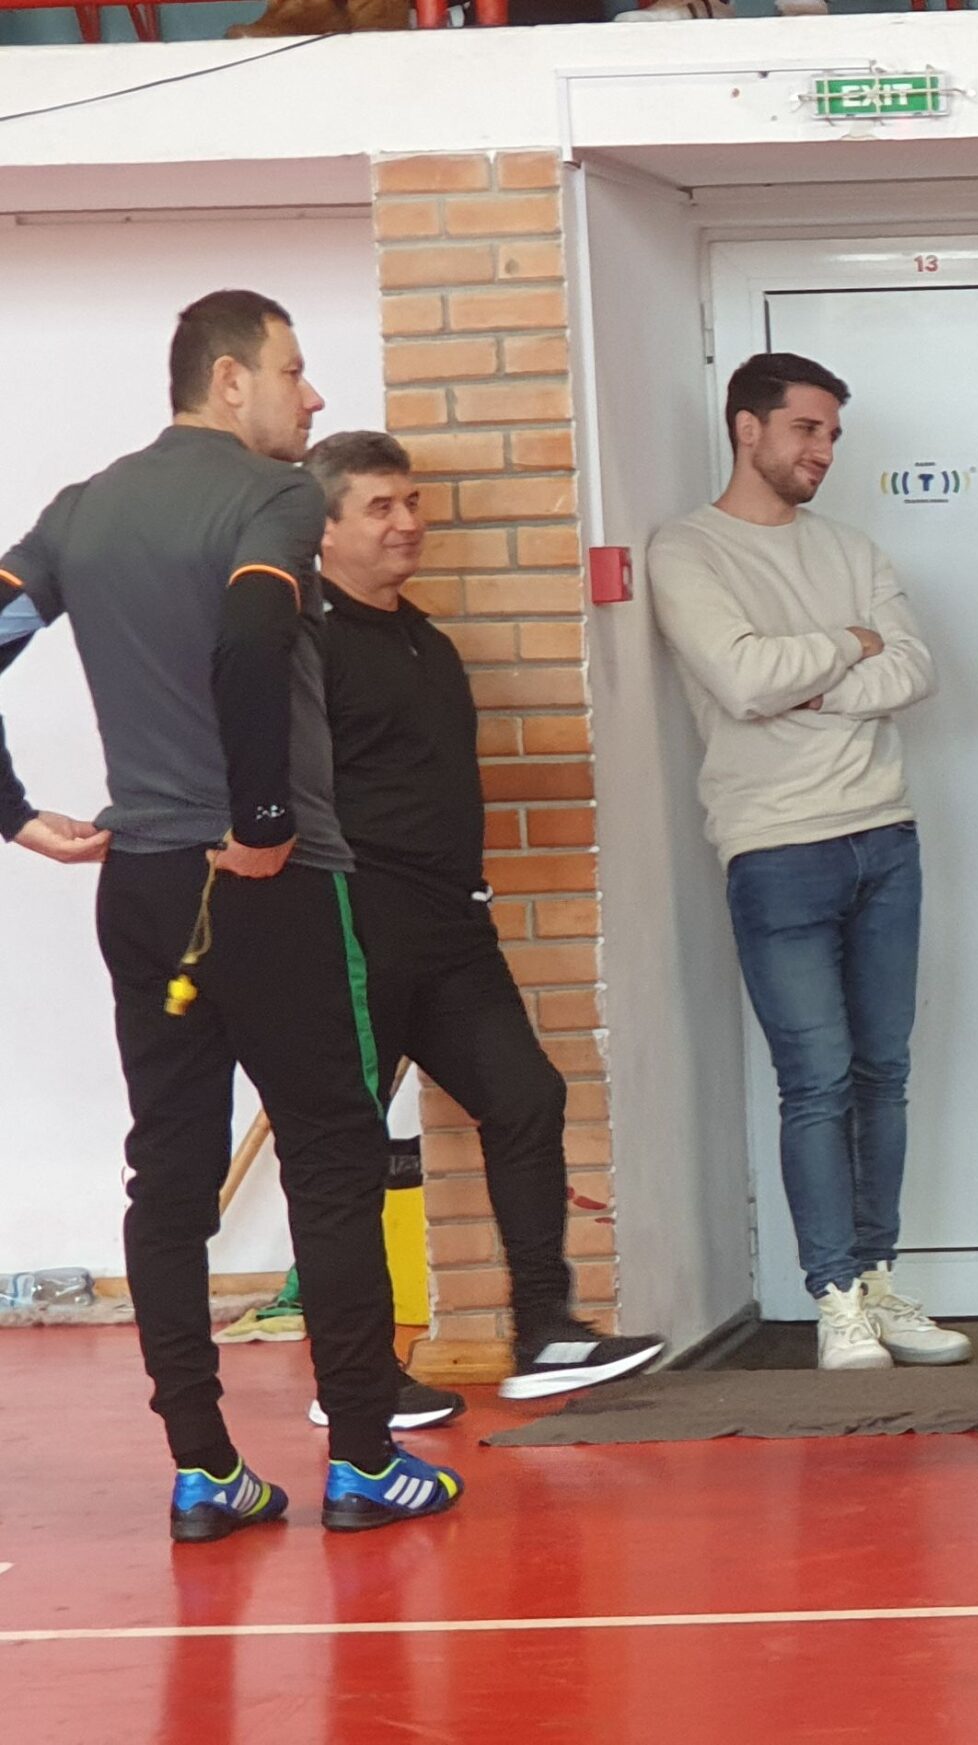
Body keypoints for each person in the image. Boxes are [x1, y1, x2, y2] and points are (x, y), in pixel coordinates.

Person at [0, 290, 460, 1538]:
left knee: (168, 1173)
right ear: (228, 379)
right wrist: (262, 819)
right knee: (334, 1156)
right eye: (294, 371)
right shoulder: (275, 498)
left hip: (143, 887)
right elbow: (255, 634)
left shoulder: (84, 509)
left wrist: (10, 811)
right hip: (270, 884)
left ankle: (205, 1469)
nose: (314, 398)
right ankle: (363, 1460)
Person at [304, 430, 668, 1407]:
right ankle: (355, 1377)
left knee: (525, 1097)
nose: (407, 522)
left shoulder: (425, 640)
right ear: (323, 527)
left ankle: (545, 1331)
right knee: (344, 1146)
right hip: (355, 926)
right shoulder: (304, 643)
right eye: (380, 507)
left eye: (412, 502)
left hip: (452, 928)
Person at [648, 352, 970, 1373]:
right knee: (817, 1081)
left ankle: (876, 1278)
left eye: (832, 433)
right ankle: (834, 1298)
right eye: (806, 429)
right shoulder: (686, 550)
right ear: (747, 428)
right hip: (775, 845)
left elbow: (914, 668)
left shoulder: (853, 546)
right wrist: (847, 643)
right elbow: (742, 679)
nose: (823, 450)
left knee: (884, 1074)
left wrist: (814, 680)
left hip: (885, 835)